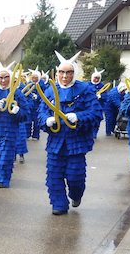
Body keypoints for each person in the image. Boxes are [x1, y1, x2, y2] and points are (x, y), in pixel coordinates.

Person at [37, 52, 103, 215]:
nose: (65, 75)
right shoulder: (50, 91)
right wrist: (46, 120)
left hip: (77, 142)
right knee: (53, 176)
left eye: (69, 72)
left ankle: (76, 195)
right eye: (61, 72)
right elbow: (41, 112)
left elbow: (96, 113)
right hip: (56, 142)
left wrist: (78, 116)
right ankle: (58, 205)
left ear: (74, 73)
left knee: (75, 176)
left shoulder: (85, 89)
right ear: (57, 73)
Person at [90, 68, 106, 139]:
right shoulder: (88, 85)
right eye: (95, 78)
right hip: (89, 107)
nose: (96, 80)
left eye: (98, 78)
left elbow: (106, 96)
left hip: (99, 107)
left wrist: (101, 96)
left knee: (97, 120)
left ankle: (94, 134)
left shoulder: (102, 86)